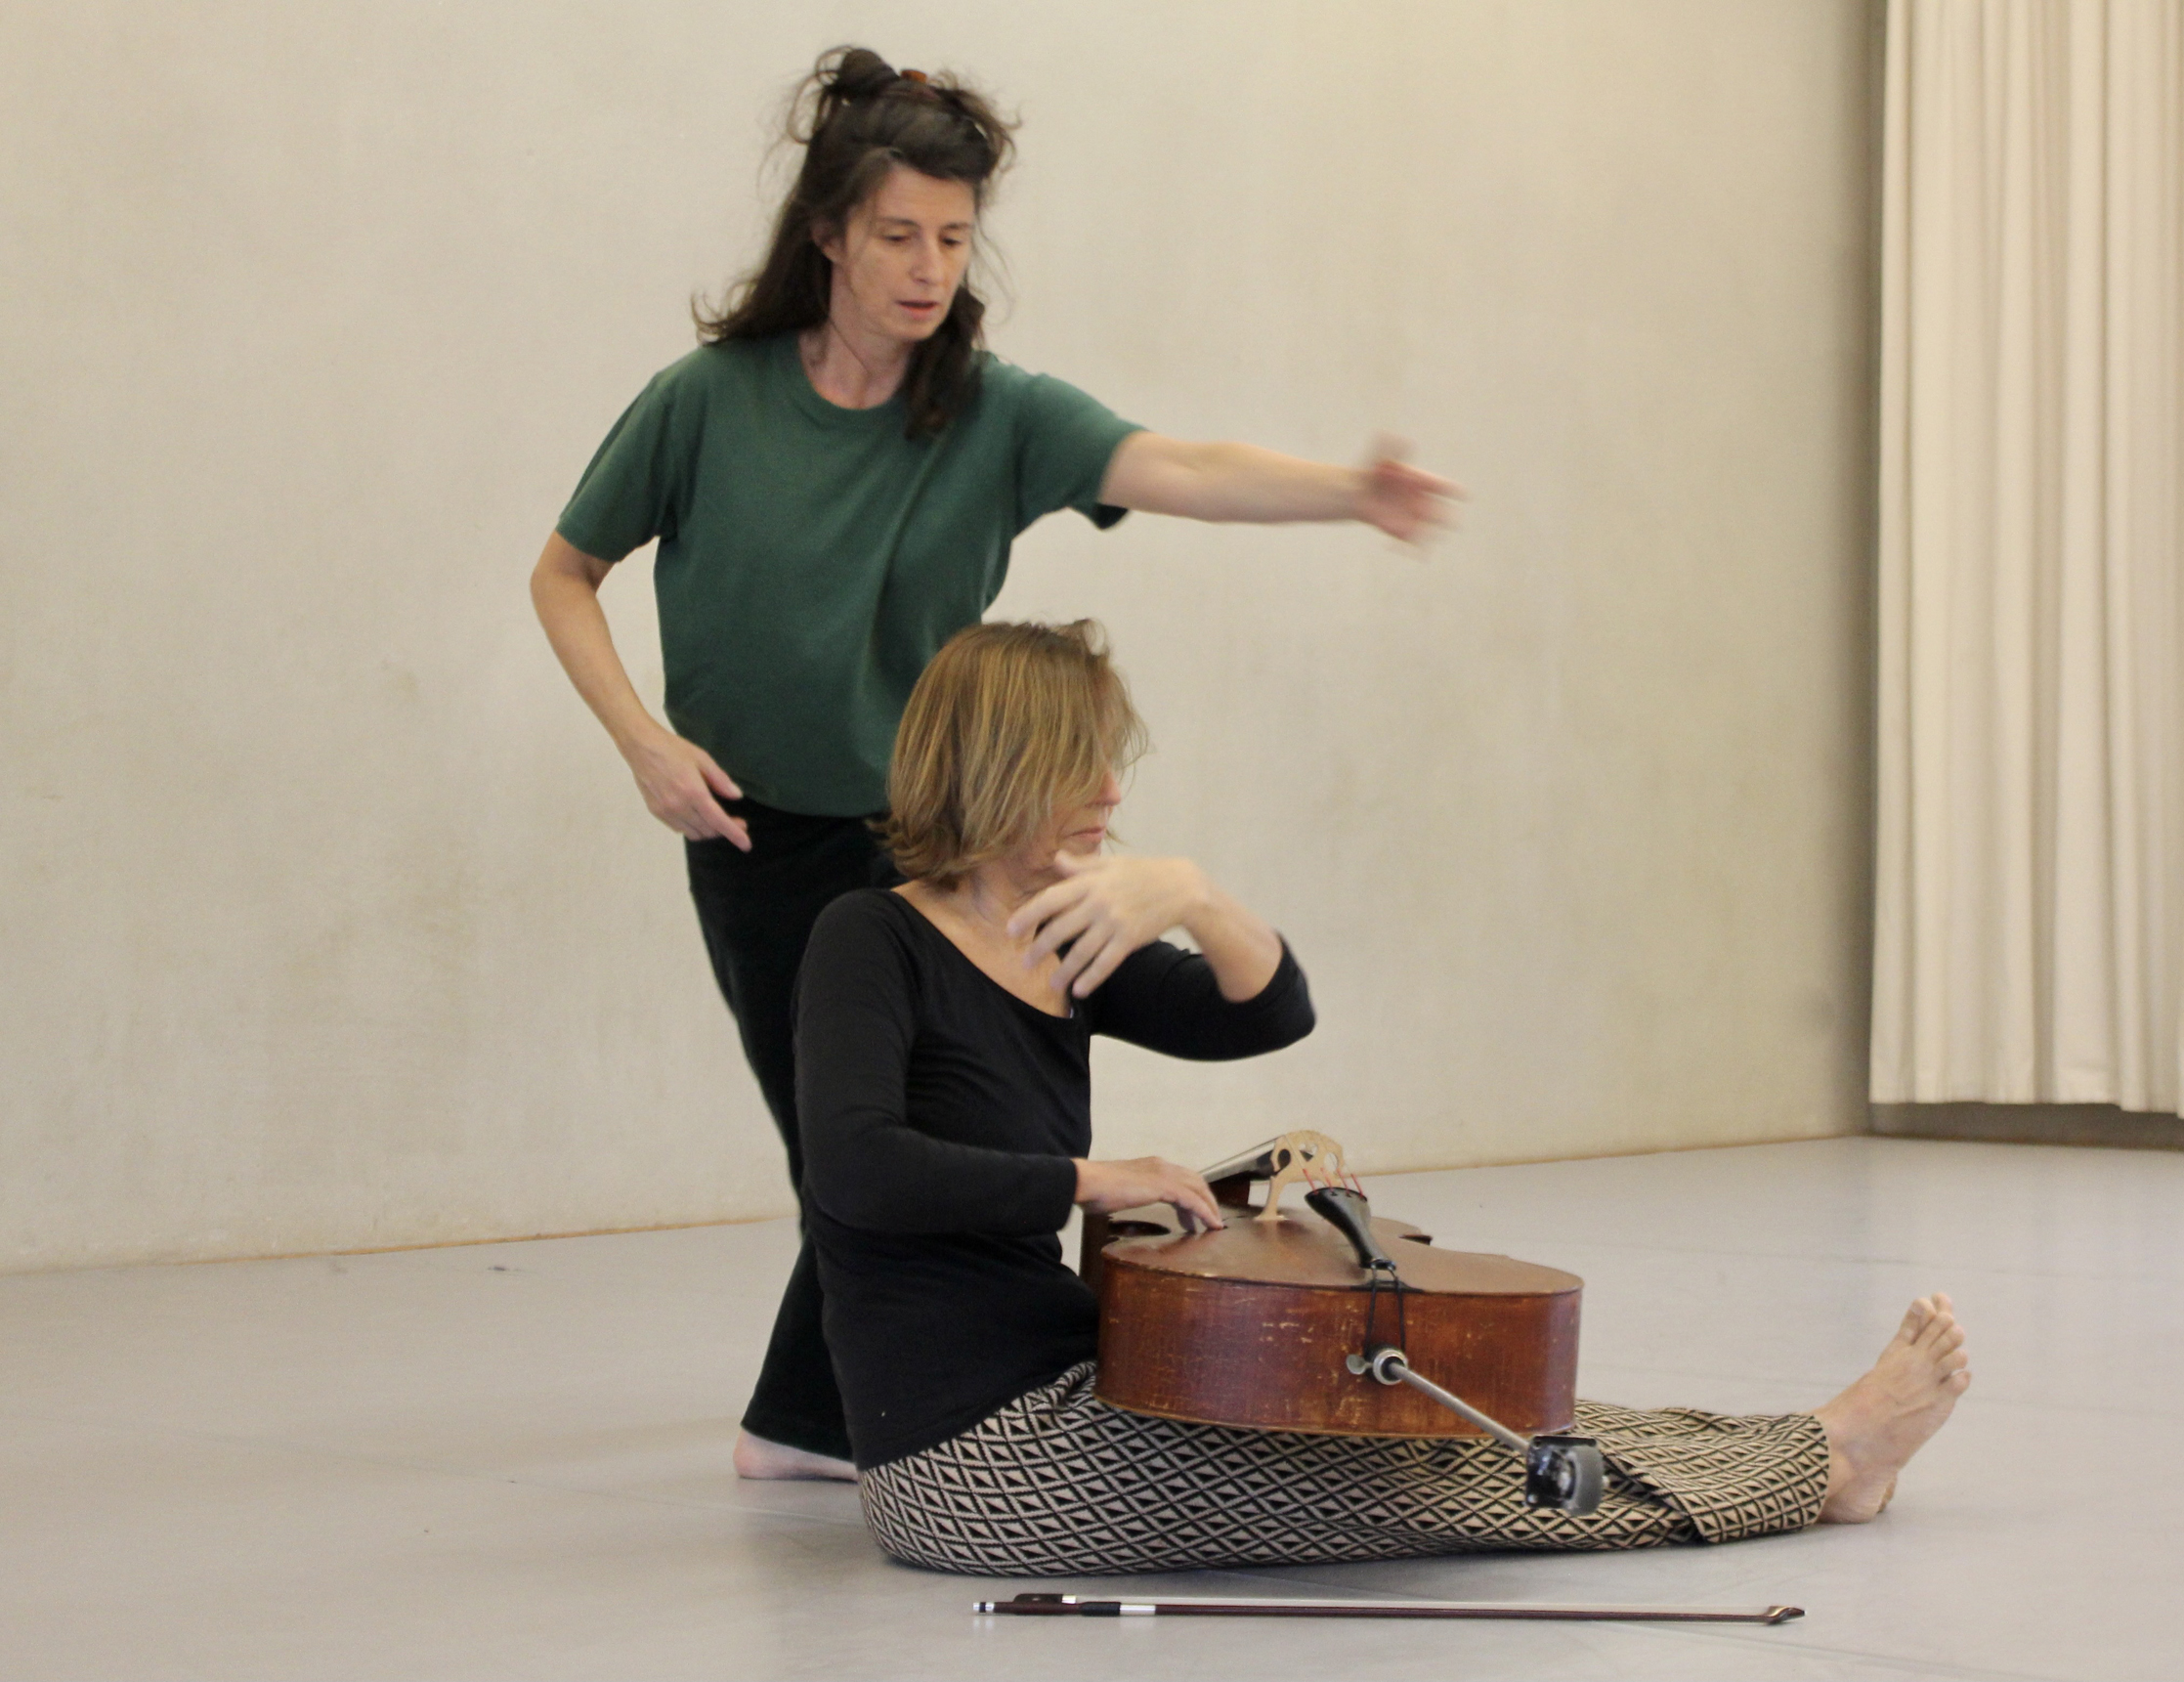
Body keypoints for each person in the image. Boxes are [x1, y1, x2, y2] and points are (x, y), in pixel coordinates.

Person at [530, 47, 1460, 1485]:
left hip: (940, 835)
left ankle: (808, 1424)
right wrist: (644, 745)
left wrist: (1347, 492)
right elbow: (563, 574)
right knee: (839, 1144)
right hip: (755, 835)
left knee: (929, 1133)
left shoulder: (995, 411)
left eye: (955, 240)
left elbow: (1185, 467)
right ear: (829, 233)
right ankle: (810, 1424)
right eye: (898, 235)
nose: (927, 268)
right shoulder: (704, 400)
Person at [797, 619, 1973, 1575]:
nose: (1111, 788)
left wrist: (1194, 896)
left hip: (1067, 1380)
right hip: (966, 1459)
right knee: (1419, 1472)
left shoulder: (1064, 939)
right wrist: (1097, 1177)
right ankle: (1825, 1464)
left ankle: (1824, 1444)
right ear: (1000, 763)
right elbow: (854, 1167)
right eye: (1080, 763)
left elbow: (1265, 1010)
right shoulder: (873, 937)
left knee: (1443, 1415)